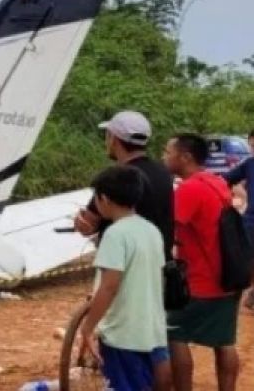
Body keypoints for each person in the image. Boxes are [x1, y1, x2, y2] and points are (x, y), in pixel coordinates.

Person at [78, 165, 169, 391]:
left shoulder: (115, 234)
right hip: (152, 330)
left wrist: (87, 328)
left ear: (104, 199)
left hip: (123, 335)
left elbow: (110, 286)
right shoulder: (151, 230)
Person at [163, 133, 241, 391]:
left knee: (175, 334)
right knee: (225, 341)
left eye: (167, 152)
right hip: (229, 275)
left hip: (199, 279)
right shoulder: (217, 182)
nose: (164, 156)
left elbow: (169, 228)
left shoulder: (189, 188)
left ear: (185, 157)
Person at [74, 111, 175, 262]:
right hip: (159, 264)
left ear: (113, 139)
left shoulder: (117, 177)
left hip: (124, 266)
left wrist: (80, 222)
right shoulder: (163, 172)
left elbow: (88, 223)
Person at [223, 129, 254, 310]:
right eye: (251, 145)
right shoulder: (249, 164)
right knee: (246, 258)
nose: (253, 149)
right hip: (250, 219)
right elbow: (225, 179)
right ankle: (245, 294)